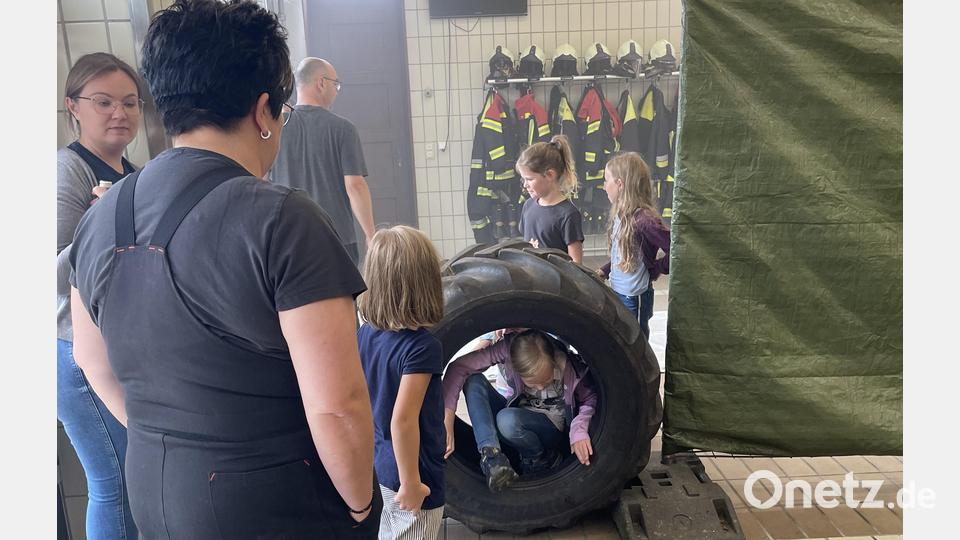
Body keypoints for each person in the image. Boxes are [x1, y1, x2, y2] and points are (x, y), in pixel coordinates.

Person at [68, 1, 380, 537]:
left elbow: (90, 362)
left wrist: (169, 442)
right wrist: (360, 505)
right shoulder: (283, 220)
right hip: (274, 505)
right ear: (264, 111)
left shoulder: (102, 219)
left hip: (156, 494)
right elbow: (340, 408)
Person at [57, 51, 141, 540]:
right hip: (76, 353)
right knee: (114, 483)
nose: (119, 113)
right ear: (74, 106)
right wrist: (105, 221)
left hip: (117, 349)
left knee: (132, 479)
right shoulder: (67, 171)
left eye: (130, 102)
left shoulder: (133, 169)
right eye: (104, 101)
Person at [357, 226, 446, 540]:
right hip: (413, 471)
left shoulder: (366, 333)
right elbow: (404, 421)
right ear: (426, 283)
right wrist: (411, 482)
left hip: (380, 463)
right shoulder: (421, 347)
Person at [442, 330, 598, 493]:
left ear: (553, 361)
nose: (540, 388)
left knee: (507, 420)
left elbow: (591, 397)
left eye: (546, 381)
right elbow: (459, 367)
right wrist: (447, 415)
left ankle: (542, 459)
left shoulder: (568, 366)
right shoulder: (509, 351)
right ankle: (492, 457)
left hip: (549, 428)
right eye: (532, 383)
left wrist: (578, 430)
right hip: (518, 417)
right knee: (472, 379)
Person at [271, 56, 375, 266]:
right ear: (321, 83)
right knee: (344, 298)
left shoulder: (276, 129)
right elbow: (354, 186)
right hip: (337, 239)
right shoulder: (343, 129)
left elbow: (261, 180)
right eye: (336, 84)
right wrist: (370, 234)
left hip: (288, 238)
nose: (336, 90)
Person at [597, 152, 671, 338]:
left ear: (620, 184)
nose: (604, 187)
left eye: (607, 181)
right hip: (619, 292)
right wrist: (605, 271)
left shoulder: (644, 220)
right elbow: (626, 254)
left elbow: (677, 248)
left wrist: (656, 268)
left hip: (634, 298)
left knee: (637, 345)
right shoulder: (621, 215)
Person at [516, 135, 585, 263]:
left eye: (529, 179)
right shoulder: (528, 206)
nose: (525, 185)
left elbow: (576, 263)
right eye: (523, 179)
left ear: (550, 175)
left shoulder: (568, 214)